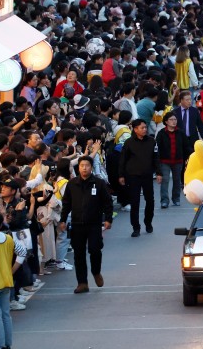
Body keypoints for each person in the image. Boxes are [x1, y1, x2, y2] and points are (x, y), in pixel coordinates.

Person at [58, 155, 113, 293]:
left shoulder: (99, 183)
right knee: (79, 254)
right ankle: (82, 283)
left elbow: (107, 202)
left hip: (94, 223)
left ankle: (96, 272)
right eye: (82, 166)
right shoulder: (72, 184)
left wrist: (108, 219)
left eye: (87, 165)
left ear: (91, 167)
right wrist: (63, 219)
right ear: (78, 168)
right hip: (77, 223)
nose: (84, 168)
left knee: (95, 249)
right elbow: (66, 203)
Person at [118, 119, 160, 237]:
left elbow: (156, 157)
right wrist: (121, 175)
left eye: (145, 127)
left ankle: (148, 222)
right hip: (133, 176)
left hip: (147, 175)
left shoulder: (152, 141)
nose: (145, 129)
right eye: (142, 128)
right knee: (135, 202)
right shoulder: (128, 143)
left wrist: (159, 172)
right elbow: (123, 160)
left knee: (150, 201)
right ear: (135, 129)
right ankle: (136, 227)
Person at [154, 111, 192, 208]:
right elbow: (157, 148)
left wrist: (190, 155)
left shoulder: (180, 132)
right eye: (171, 119)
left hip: (178, 161)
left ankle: (176, 199)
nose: (174, 121)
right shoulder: (161, 133)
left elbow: (186, 146)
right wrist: (157, 162)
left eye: (175, 119)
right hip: (165, 161)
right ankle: (164, 201)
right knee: (165, 180)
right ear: (166, 121)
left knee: (177, 180)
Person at [0, 213, 15, 347]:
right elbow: (22, 253)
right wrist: (12, 270)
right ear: (1, 224)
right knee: (6, 314)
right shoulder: (9, 238)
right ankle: (7, 343)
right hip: (7, 281)